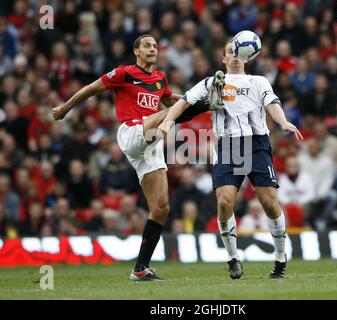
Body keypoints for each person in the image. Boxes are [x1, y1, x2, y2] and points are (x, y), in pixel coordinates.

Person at [52, 34, 201, 281]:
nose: (153, 49)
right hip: (132, 132)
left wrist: (194, 101)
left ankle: (140, 269)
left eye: (155, 46)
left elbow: (172, 100)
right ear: (136, 51)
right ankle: (195, 106)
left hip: (151, 144)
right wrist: (65, 109)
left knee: (161, 208)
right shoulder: (124, 73)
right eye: (147, 46)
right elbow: (91, 88)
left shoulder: (160, 79)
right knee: (170, 114)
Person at [158, 39, 303, 279]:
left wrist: (283, 122)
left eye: (239, 52)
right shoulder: (212, 82)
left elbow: (272, 103)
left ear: (247, 56)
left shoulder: (258, 81)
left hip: (256, 144)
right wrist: (167, 120)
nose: (235, 56)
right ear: (223, 58)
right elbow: (184, 101)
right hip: (228, 145)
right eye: (230, 52)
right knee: (225, 202)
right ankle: (233, 258)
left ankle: (280, 257)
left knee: (269, 203)